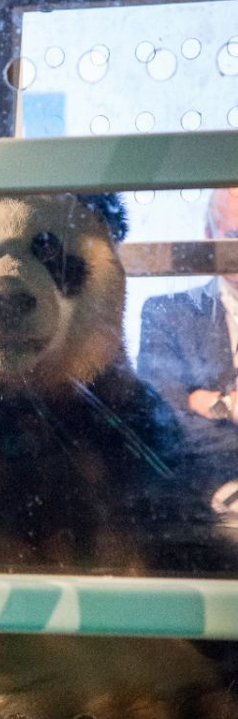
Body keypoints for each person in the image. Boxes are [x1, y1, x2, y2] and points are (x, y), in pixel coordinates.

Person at [137, 188, 238, 511]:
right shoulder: (167, 312)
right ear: (209, 236)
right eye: (233, 235)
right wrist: (230, 406)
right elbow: (162, 421)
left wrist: (206, 402)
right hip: (201, 505)